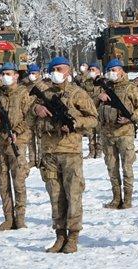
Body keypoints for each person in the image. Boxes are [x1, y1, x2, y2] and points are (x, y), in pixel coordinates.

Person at [33, 57, 98, 253]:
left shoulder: (78, 94)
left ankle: (73, 237)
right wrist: (37, 109)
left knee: (73, 195)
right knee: (55, 196)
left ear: (68, 72)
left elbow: (94, 119)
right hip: (50, 151)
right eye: (52, 69)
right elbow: (29, 118)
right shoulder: (43, 94)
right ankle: (59, 236)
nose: (55, 72)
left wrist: (74, 123)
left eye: (59, 69)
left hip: (70, 152)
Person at [0, 63, 34, 231]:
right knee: (3, 182)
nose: (5, 76)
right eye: (3, 73)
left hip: (17, 142)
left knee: (18, 181)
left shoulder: (24, 93)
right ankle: (8, 218)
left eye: (8, 73)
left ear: (16, 75)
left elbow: (30, 118)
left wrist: (17, 132)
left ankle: (20, 219)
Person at [95, 59, 138, 210]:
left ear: (122, 71)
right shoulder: (105, 88)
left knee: (127, 167)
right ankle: (116, 198)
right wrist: (98, 98)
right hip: (107, 134)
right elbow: (91, 107)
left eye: (115, 70)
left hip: (124, 134)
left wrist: (130, 118)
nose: (112, 73)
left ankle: (128, 199)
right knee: (112, 167)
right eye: (110, 70)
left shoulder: (130, 88)